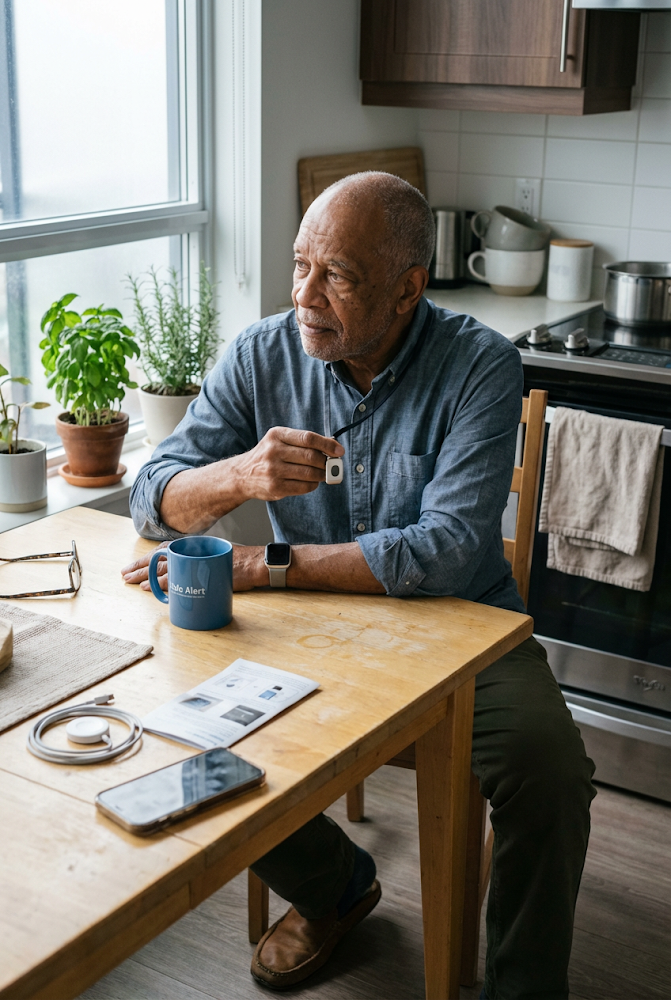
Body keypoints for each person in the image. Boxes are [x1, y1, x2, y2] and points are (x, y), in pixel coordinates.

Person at [123, 172, 596, 999]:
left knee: (549, 770)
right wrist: (238, 473)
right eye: (299, 265)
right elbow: (152, 497)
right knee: (175, 722)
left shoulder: (478, 363)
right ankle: (334, 884)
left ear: (408, 288)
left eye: (335, 274)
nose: (305, 295)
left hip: (461, 624)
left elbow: (446, 551)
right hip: (304, 631)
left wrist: (261, 569)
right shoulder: (261, 352)